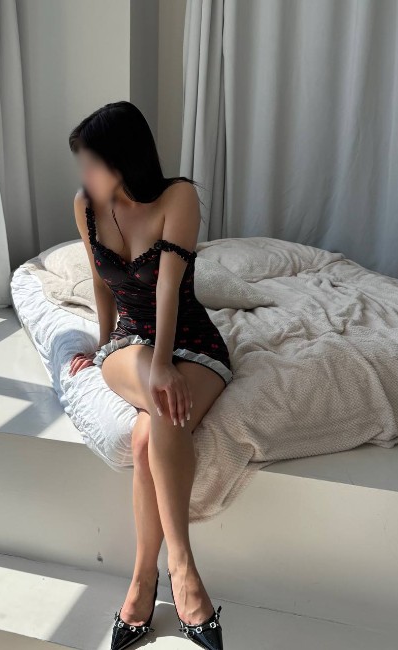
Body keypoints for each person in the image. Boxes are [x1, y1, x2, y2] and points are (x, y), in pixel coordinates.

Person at [68, 101, 229, 650]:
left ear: (124, 159)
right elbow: (101, 282)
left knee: (146, 438)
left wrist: (163, 364)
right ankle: (184, 574)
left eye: (93, 163)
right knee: (160, 403)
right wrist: (101, 343)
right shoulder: (85, 206)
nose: (85, 175)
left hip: (192, 340)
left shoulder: (178, 197)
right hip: (128, 342)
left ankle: (145, 581)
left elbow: (167, 285)